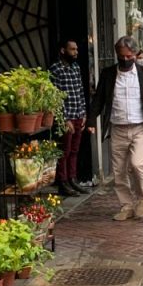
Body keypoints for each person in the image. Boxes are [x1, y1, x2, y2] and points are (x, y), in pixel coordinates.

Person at [87, 35, 143, 221]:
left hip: (139, 127)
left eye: (129, 56)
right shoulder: (107, 74)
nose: (125, 59)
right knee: (119, 171)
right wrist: (91, 120)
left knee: (137, 165)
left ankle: (141, 200)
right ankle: (126, 206)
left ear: (136, 55)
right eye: (121, 56)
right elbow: (98, 99)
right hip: (117, 128)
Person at [49, 39, 87, 198]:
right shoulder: (55, 69)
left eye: (76, 49)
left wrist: (83, 113)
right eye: (72, 49)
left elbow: (80, 90)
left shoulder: (76, 67)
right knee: (64, 151)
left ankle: (72, 179)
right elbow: (55, 96)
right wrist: (64, 119)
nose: (76, 52)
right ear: (63, 50)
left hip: (78, 114)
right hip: (66, 117)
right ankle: (62, 182)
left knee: (74, 150)